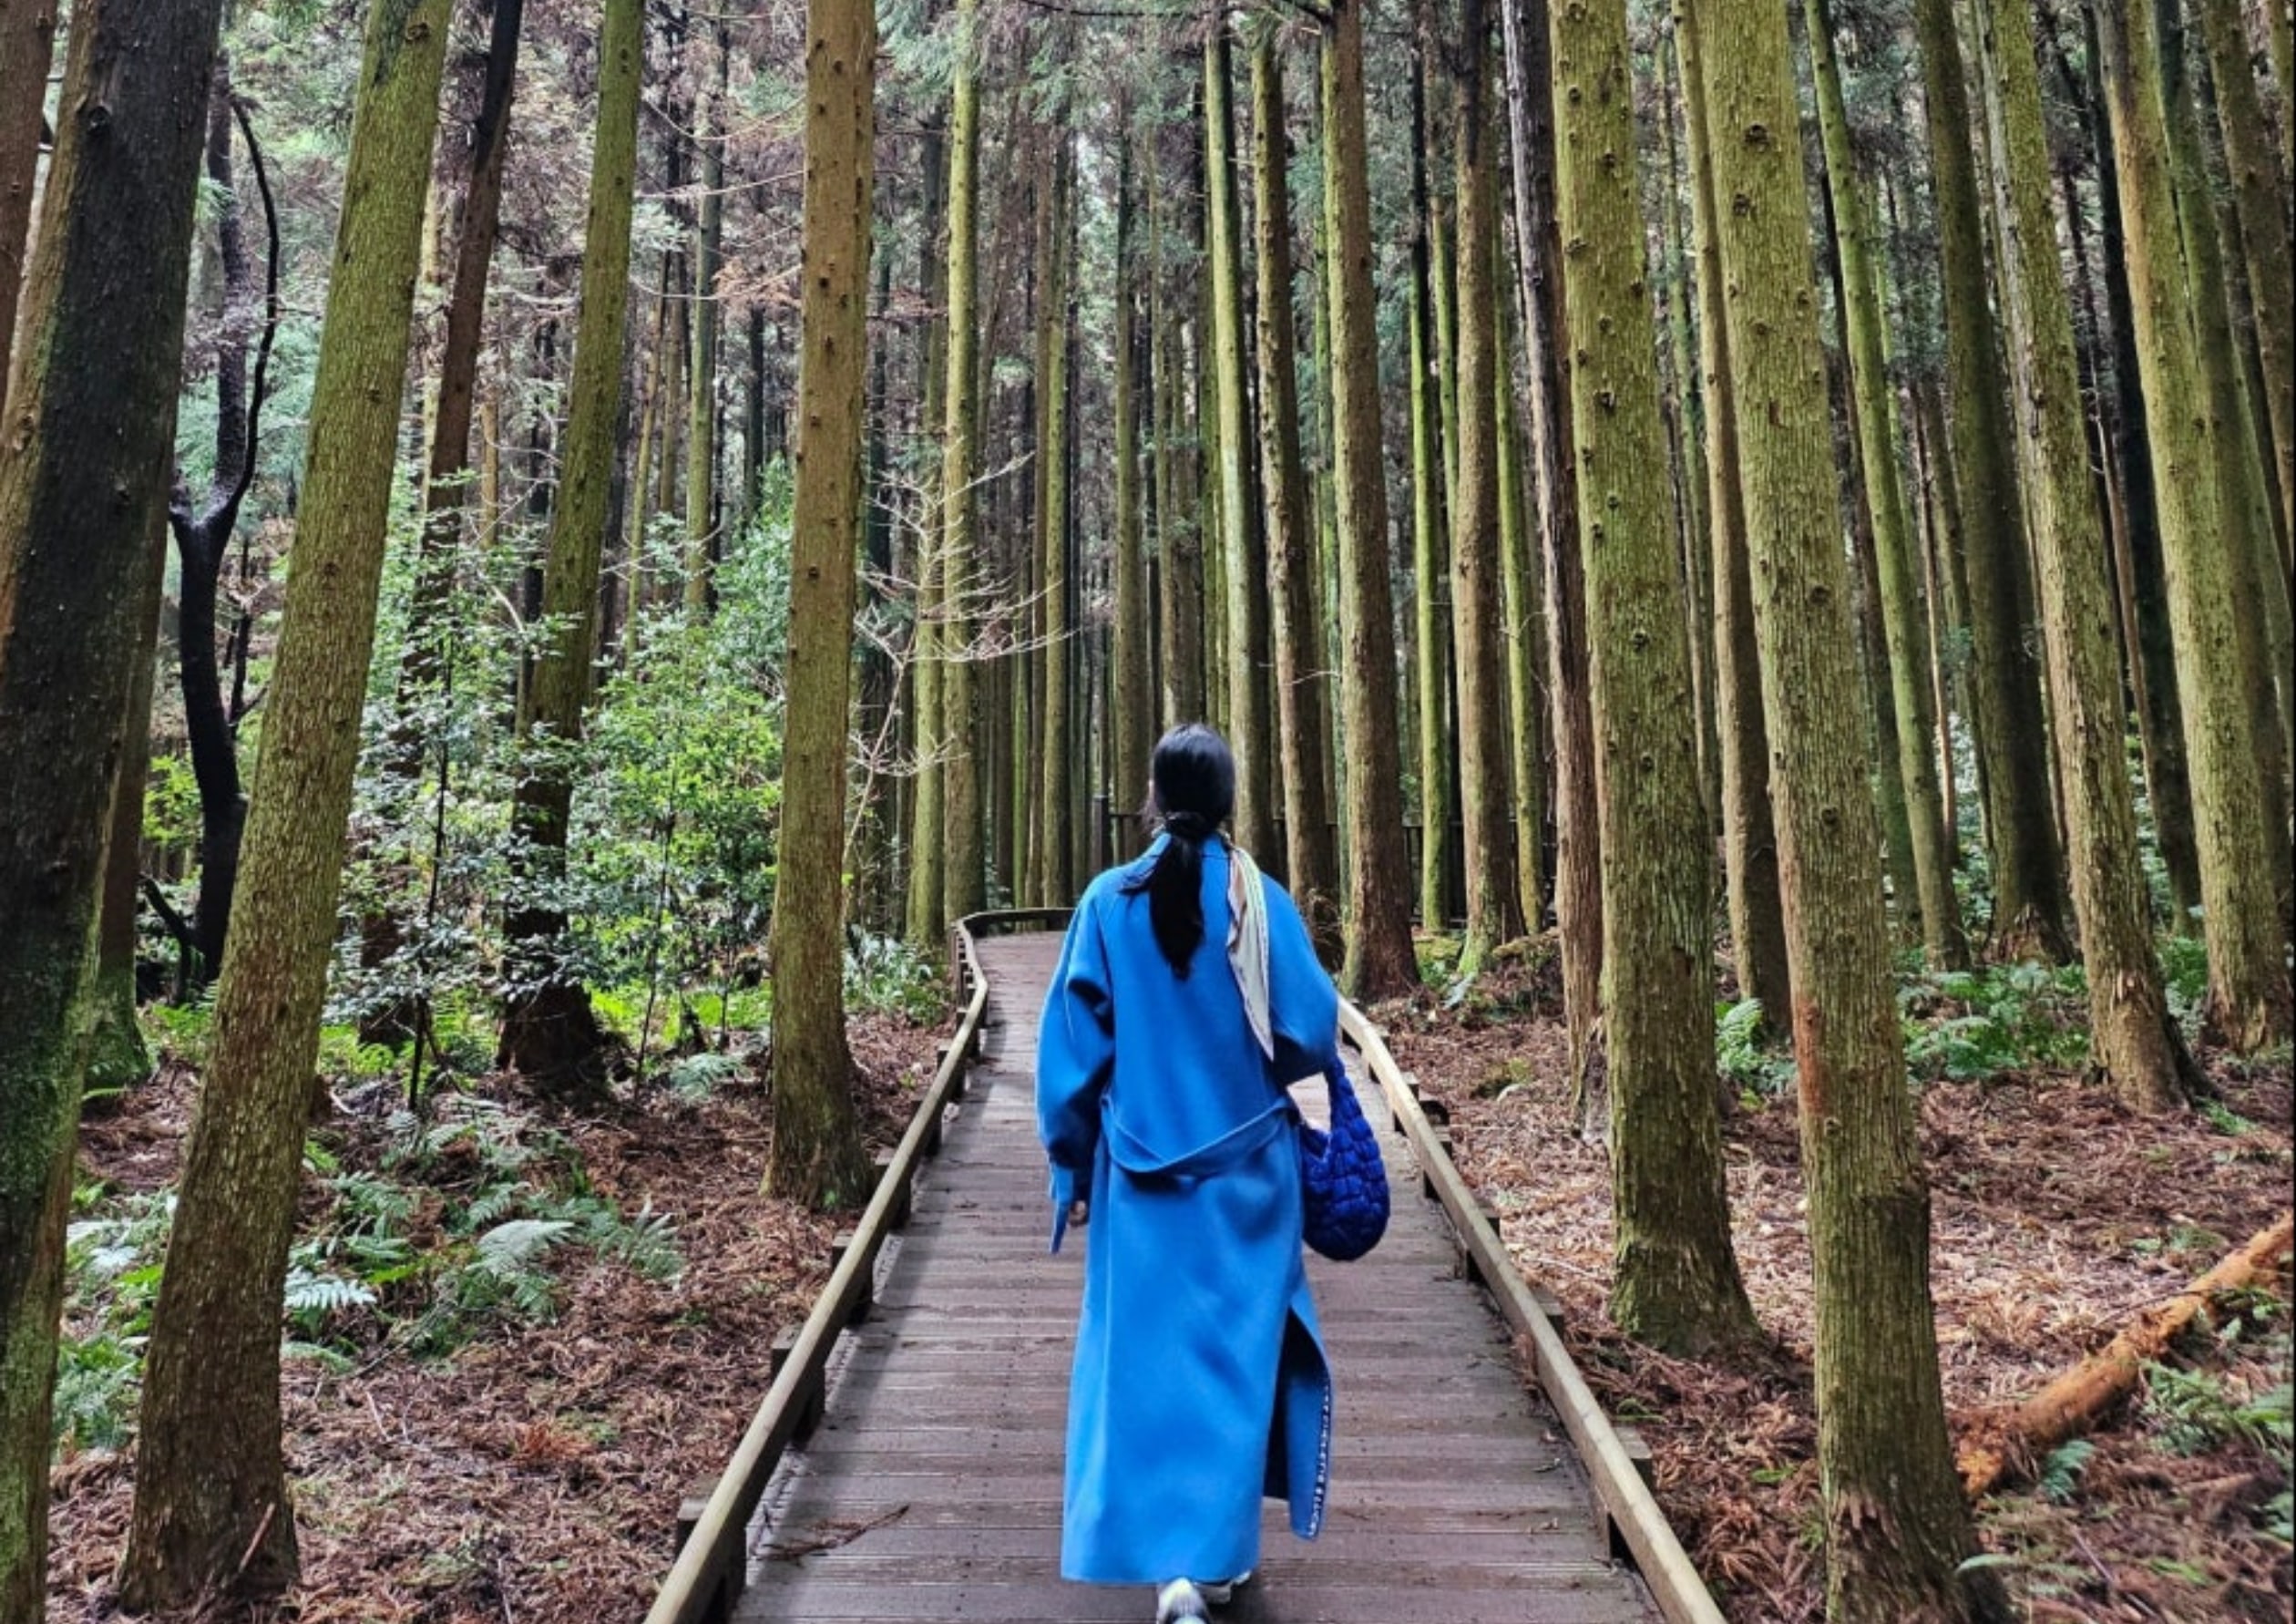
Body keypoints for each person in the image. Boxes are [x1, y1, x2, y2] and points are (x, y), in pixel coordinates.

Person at [1036, 723, 1345, 1624]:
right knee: (1234, 1369)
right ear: (1229, 802)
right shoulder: (1259, 900)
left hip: (1139, 1183)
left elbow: (1070, 1056)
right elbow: (1313, 1032)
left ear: (1155, 796)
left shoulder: (1107, 901)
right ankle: (1210, 1568)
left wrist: (1071, 1165)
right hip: (1251, 1179)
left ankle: (1176, 1569)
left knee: (1147, 1369)